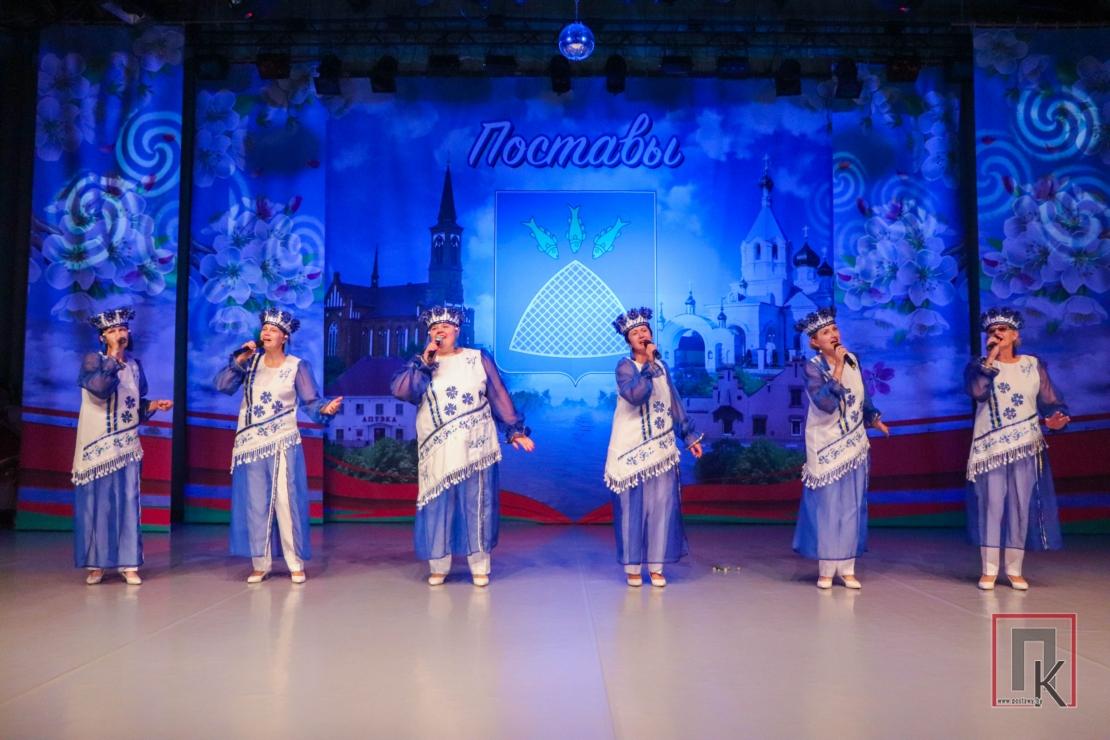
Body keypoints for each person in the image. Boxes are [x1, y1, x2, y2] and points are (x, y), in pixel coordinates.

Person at [390, 305, 535, 587]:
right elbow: (402, 391)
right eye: (434, 328)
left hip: (474, 443)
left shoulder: (477, 358)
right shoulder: (422, 364)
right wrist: (424, 361)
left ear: (457, 330)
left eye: (445, 327)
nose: (439, 331)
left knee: (477, 503)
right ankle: (439, 564)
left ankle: (479, 565)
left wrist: (514, 429)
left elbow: (497, 393)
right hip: (438, 445)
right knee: (438, 504)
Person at [215, 308, 341, 584]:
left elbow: (310, 401)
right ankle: (260, 564)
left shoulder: (296, 366)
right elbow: (222, 385)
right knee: (255, 503)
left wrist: (325, 408)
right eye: (264, 329)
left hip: (282, 440)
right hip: (251, 443)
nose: (267, 333)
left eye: (273, 330)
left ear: (285, 337)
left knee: (285, 501)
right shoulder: (250, 363)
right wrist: (239, 360)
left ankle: (295, 562)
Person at [965, 306, 1069, 590]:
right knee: (992, 505)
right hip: (992, 448)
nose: (997, 334)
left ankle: (1014, 569)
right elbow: (978, 392)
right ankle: (989, 569)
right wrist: (991, 359)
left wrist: (1056, 418)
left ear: (1015, 335)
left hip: (1025, 445)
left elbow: (1050, 401)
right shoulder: (979, 367)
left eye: (1002, 329)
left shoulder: (1033, 365)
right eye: (991, 331)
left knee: (1020, 505)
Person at [603, 307, 703, 588]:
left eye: (644, 330)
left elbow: (673, 402)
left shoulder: (662, 367)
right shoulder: (625, 366)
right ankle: (633, 566)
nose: (642, 335)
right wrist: (648, 364)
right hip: (631, 446)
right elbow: (635, 395)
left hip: (661, 446)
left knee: (661, 506)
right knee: (632, 509)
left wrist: (689, 436)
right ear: (628, 340)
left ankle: (657, 566)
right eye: (635, 332)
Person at [73, 308, 173, 585]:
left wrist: (154, 405)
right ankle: (96, 564)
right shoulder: (93, 361)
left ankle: (128, 563)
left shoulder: (136, 367)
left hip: (127, 443)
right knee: (97, 502)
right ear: (103, 337)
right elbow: (100, 389)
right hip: (97, 442)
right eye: (113, 331)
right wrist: (114, 357)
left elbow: (133, 405)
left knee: (127, 500)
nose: (120, 334)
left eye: (123, 329)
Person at [792, 307, 889, 589]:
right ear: (814, 341)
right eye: (826, 332)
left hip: (854, 442)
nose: (833, 335)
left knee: (852, 506)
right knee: (828, 507)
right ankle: (826, 568)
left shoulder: (853, 360)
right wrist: (837, 368)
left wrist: (874, 418)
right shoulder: (812, 367)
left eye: (834, 329)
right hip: (825, 443)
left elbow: (862, 395)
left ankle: (847, 568)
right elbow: (825, 402)